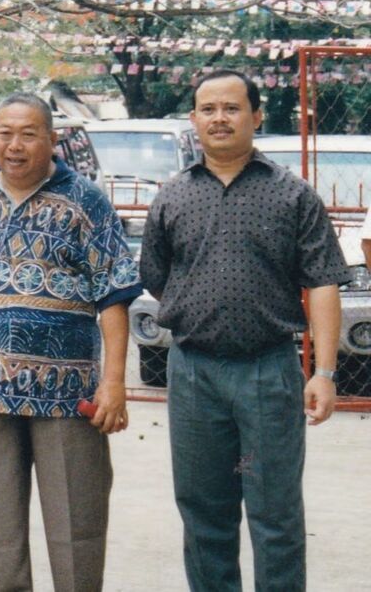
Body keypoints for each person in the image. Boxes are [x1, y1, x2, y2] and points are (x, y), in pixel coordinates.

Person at [140, 70, 350, 592]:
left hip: (268, 373)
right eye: (207, 109)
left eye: (231, 108)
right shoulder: (171, 197)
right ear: (193, 120)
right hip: (193, 375)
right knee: (203, 512)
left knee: (274, 513)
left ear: (256, 116)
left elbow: (323, 284)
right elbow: (159, 278)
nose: (219, 118)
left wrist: (323, 371)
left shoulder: (293, 196)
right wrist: (203, 311)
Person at [0, 92, 140, 592]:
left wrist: (113, 383)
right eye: (5, 133)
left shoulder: (84, 200)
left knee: (78, 524)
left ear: (51, 139)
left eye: (29, 134)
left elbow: (114, 295)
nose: (16, 145)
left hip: (68, 395)